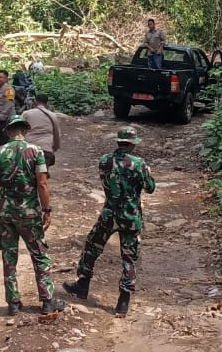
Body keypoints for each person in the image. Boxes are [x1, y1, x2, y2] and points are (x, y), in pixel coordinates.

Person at [63, 126, 155, 318]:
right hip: (131, 216)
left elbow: (107, 183)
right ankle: (123, 301)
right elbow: (150, 188)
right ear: (132, 144)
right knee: (129, 257)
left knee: (92, 246)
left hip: (109, 213)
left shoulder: (104, 161)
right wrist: (146, 174)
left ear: (118, 141)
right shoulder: (139, 164)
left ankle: (82, 284)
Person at [0, 115, 63, 317]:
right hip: (29, 212)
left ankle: (13, 303)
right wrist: (47, 210)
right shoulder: (36, 151)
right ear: (25, 130)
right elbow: (42, 183)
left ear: (8, 131)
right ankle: (47, 301)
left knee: (9, 256)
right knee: (39, 254)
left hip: (6, 211)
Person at [22, 93, 61, 168]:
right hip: (45, 149)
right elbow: (57, 133)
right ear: (47, 103)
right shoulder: (53, 115)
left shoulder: (26, 114)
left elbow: (19, 131)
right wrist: (54, 148)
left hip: (28, 148)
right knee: (43, 172)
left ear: (35, 101)